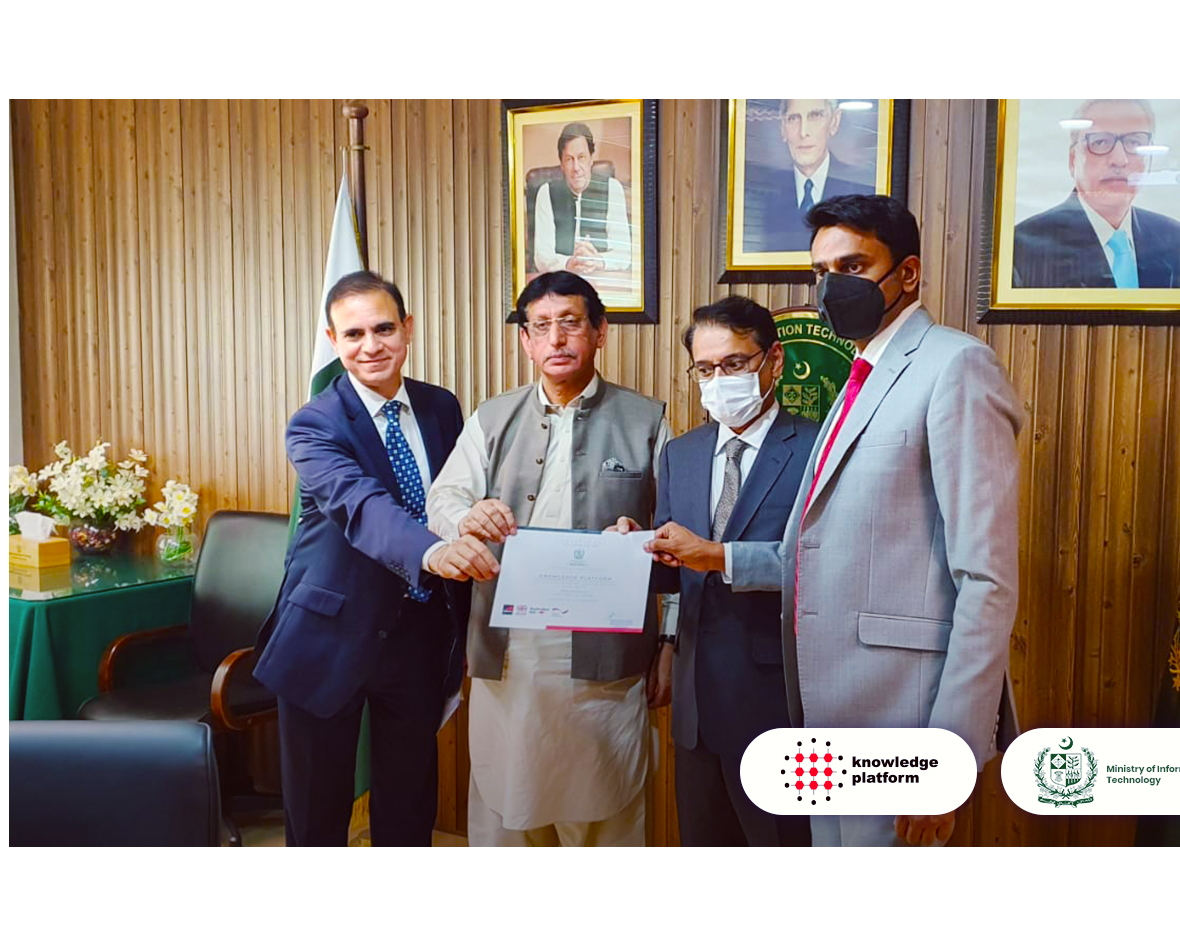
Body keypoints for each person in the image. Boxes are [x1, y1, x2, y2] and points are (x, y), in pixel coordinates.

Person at [733, 195, 1022, 847]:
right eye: (821, 271)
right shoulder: (860, 374)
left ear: (908, 273)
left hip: (901, 718)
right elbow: (817, 548)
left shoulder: (956, 365)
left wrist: (947, 756)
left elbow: (986, 578)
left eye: (853, 266)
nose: (833, 286)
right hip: (827, 713)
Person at [424, 270, 670, 846]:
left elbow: (676, 534)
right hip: (511, 652)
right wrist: (468, 517)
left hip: (606, 657)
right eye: (541, 327)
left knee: (605, 816)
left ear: (600, 332)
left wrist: (670, 638)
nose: (556, 339)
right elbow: (442, 499)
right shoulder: (492, 417)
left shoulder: (647, 420)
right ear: (525, 341)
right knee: (508, 810)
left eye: (570, 323)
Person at [253, 271, 499, 847]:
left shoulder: (441, 408)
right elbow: (362, 506)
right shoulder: (314, 423)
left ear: (407, 329)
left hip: (419, 635)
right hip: (327, 636)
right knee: (317, 816)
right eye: (354, 334)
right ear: (333, 340)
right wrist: (434, 552)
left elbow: (453, 501)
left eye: (384, 329)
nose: (371, 346)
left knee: (409, 805)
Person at [613, 295, 817, 846]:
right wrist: (634, 550)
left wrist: (718, 556)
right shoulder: (681, 453)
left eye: (734, 364)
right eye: (705, 369)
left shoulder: (817, 448)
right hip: (696, 705)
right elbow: (676, 572)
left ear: (773, 360)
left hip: (777, 703)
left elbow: (824, 566)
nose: (719, 380)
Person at [1012, 99, 1180, 288]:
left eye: (1134, 142)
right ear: (1073, 160)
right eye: (1100, 142)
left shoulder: (1178, 240)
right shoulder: (1022, 249)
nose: (1119, 159)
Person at [747, 99, 872, 253]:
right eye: (793, 118)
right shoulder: (762, 192)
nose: (803, 132)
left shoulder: (860, 188)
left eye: (815, 116)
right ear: (783, 128)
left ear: (834, 122)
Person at [532, 121, 632, 277]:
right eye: (569, 159)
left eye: (582, 157)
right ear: (561, 164)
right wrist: (569, 263)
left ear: (591, 158)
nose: (576, 167)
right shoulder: (546, 193)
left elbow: (624, 254)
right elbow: (542, 257)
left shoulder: (613, 188)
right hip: (562, 278)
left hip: (602, 277)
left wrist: (597, 260)